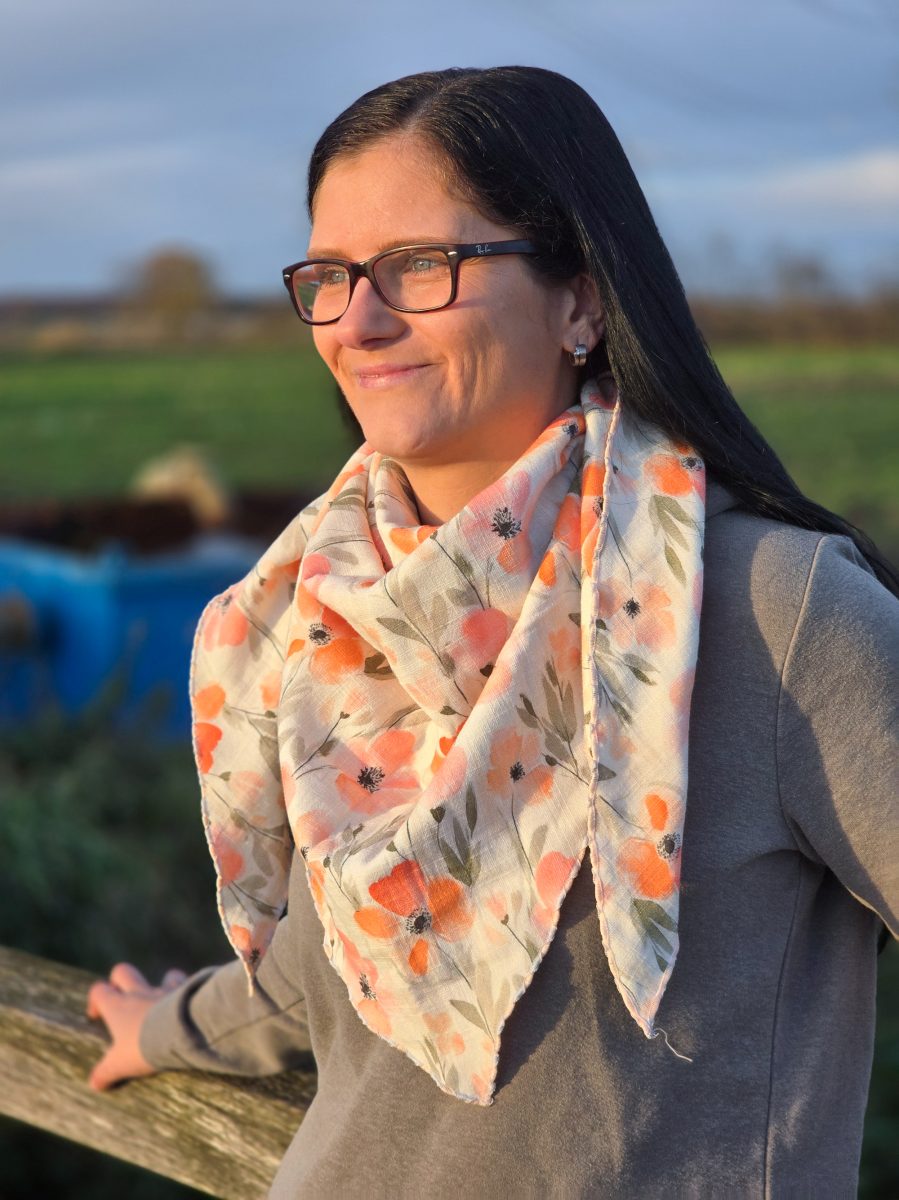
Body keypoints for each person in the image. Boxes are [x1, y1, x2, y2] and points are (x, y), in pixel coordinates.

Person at [86, 66, 898, 1197]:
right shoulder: (314, 622)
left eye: (421, 265)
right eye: (329, 276)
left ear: (581, 301)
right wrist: (167, 1028)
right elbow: (336, 964)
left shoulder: (775, 612)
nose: (359, 321)